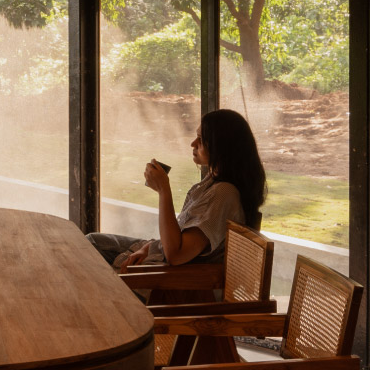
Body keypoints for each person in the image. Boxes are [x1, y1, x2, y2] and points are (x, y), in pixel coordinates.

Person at [87, 108, 266, 270]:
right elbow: (179, 237)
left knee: (89, 248)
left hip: (170, 280)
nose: (193, 143)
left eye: (202, 140)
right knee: (91, 242)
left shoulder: (224, 194)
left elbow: (176, 254)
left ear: (221, 146)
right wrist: (147, 248)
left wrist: (164, 190)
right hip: (160, 256)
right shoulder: (213, 182)